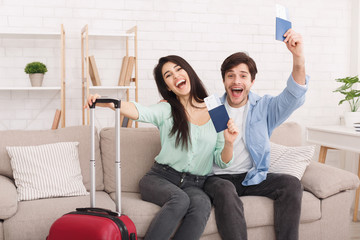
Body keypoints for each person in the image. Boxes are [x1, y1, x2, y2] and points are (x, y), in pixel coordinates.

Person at [86, 55, 239, 240]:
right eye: (168, 75)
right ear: (167, 86)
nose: (176, 76)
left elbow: (221, 161)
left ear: (188, 72)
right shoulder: (167, 109)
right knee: (180, 200)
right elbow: (140, 111)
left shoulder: (216, 109)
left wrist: (229, 142)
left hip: (196, 183)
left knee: (201, 205)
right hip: (160, 178)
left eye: (178, 69)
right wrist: (110, 102)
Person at [204, 29, 308, 240]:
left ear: (252, 82)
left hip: (251, 178)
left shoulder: (264, 108)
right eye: (230, 75)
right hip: (217, 178)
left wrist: (298, 57)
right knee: (224, 188)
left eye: (243, 76)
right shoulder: (212, 108)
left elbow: (294, 96)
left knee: (291, 184)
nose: (236, 81)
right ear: (224, 80)